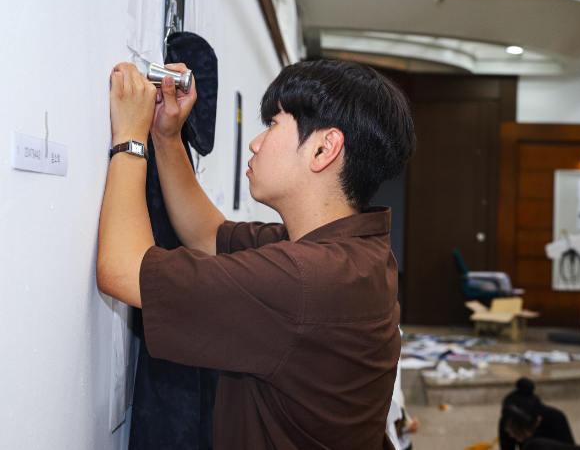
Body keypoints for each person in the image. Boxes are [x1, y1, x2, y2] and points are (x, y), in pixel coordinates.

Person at [97, 59, 416, 449]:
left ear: (323, 149)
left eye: (273, 125)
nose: (255, 143)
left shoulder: (304, 281)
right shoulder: (352, 252)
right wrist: (166, 137)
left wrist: (130, 137)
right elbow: (207, 234)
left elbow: (121, 269)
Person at [499, 378, 574, 450]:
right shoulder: (507, 423)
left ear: (538, 421)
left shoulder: (556, 419)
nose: (511, 435)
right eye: (509, 430)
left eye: (517, 432)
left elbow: (569, 447)